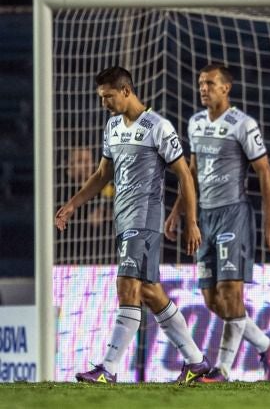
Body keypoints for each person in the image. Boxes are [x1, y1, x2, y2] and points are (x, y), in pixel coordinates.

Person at [56, 66, 209, 384]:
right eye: (101, 98)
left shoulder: (158, 127)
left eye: (108, 97)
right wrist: (72, 205)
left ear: (126, 91)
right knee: (150, 292)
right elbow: (101, 175)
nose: (104, 104)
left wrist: (190, 221)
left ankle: (107, 369)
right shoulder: (112, 127)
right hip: (123, 221)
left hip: (145, 220)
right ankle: (196, 362)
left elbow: (184, 175)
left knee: (126, 287)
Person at [166, 64, 270, 382]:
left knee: (231, 292)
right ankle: (265, 344)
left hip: (234, 214)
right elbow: (191, 173)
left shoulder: (242, 124)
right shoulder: (195, 123)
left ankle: (223, 370)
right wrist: (178, 212)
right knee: (212, 300)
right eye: (200, 83)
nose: (203, 88)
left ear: (225, 88)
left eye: (210, 83)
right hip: (204, 217)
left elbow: (265, 172)